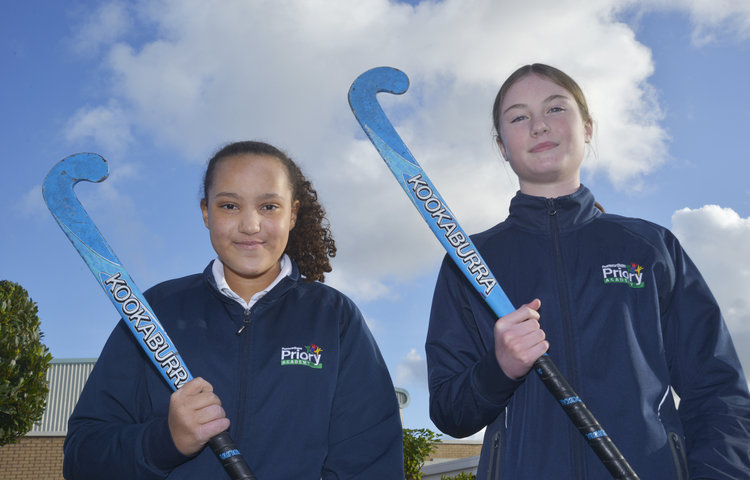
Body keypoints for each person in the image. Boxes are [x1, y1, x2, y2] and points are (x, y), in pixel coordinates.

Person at [425, 64, 750, 479]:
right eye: (519, 116)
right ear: (502, 145)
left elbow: (717, 391)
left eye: (555, 108)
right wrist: (499, 367)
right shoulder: (469, 261)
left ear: (588, 127)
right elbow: (450, 412)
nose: (539, 125)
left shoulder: (651, 247)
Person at [63, 141, 405, 479]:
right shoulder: (153, 312)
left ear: (293, 214)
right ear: (205, 212)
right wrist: (166, 441)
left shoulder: (334, 317)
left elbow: (372, 461)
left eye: (269, 206)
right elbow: (82, 457)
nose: (250, 225)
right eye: (229, 206)